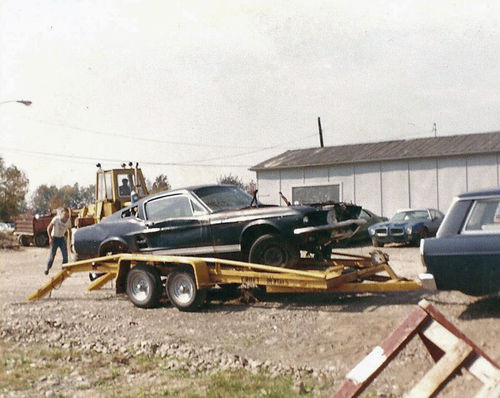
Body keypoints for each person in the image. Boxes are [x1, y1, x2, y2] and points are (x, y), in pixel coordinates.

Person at [45, 207, 72, 275]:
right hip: (54, 238)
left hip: (62, 238)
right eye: (64, 215)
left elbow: (70, 231)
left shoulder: (68, 221)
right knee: (52, 255)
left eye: (67, 216)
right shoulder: (56, 219)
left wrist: (70, 240)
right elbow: (48, 228)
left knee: (65, 255)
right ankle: (47, 268)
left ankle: (64, 270)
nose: (65, 217)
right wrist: (50, 238)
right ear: (61, 214)